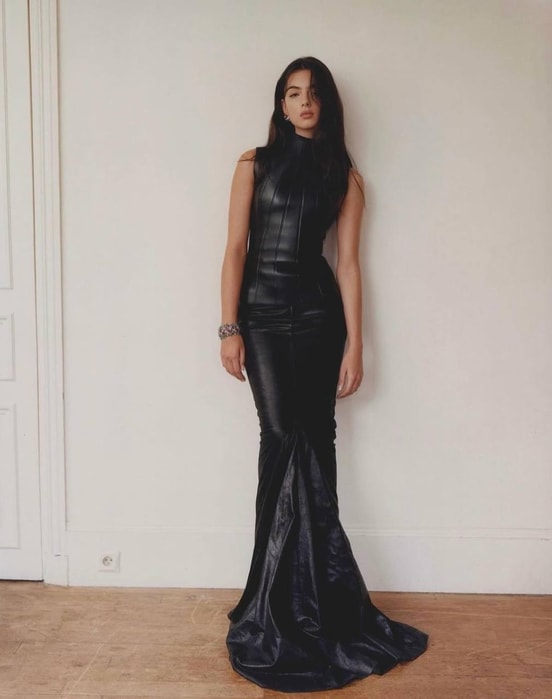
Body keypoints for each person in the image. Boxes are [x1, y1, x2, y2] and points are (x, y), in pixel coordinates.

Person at [219, 56, 428, 693]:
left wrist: (356, 345)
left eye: (313, 93)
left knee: (318, 445)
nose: (304, 102)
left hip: (317, 319)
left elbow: (348, 266)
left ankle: (321, 602)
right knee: (281, 440)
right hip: (260, 316)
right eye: (293, 93)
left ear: (326, 103)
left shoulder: (346, 176)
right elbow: (234, 248)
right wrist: (228, 328)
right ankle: (269, 599)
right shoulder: (252, 163)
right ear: (281, 105)